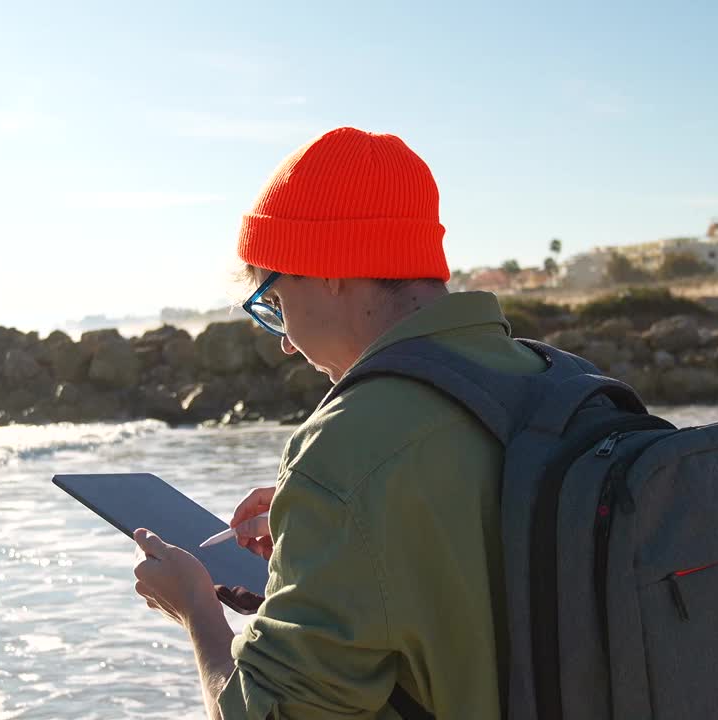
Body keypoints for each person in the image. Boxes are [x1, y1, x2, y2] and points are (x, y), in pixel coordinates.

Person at [129, 127, 545, 718]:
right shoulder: (551, 378)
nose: (287, 347)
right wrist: (326, 528)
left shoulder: (346, 448)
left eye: (273, 304)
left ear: (327, 270)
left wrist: (196, 609)